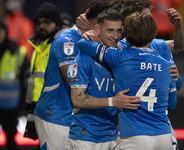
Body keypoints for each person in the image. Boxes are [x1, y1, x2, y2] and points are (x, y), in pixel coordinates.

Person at [77, 12, 177, 150]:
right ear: (154, 32)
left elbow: (82, 44)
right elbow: (172, 104)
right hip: (163, 137)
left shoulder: (118, 56)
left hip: (135, 136)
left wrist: (87, 35)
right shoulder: (167, 65)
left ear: (126, 33)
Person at [34, 0, 112, 149]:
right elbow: (73, 81)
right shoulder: (66, 41)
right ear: (89, 19)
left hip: (75, 116)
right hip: (55, 115)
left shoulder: (97, 42)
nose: (103, 30)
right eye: (100, 25)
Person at [67, 8, 141, 150]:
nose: (115, 36)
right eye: (110, 30)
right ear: (97, 29)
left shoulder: (121, 55)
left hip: (113, 136)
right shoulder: (84, 58)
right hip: (86, 138)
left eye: (119, 31)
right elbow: (77, 99)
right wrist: (113, 101)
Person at [24, 2, 62, 140]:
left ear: (56, 23)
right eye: (39, 22)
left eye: (46, 22)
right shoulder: (38, 47)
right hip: (37, 106)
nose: (41, 26)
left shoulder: (59, 45)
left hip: (55, 108)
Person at [0, 19, 29, 150]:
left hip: (10, 106)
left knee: (11, 141)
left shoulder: (16, 51)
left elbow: (26, 80)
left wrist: (22, 104)